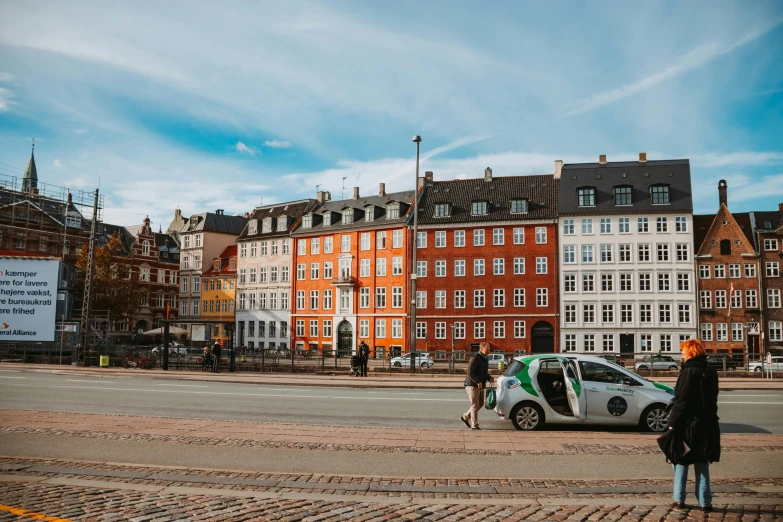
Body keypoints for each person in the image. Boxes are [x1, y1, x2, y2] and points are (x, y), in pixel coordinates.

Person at [666, 338, 720, 512]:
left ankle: (679, 498)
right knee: (702, 462)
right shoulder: (710, 370)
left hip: (688, 424)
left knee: (681, 460)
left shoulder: (688, 371)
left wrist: (673, 423)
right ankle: (705, 502)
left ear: (690, 352)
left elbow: (682, 400)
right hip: (708, 423)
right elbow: (713, 397)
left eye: (683, 351)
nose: (681, 354)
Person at [460, 342, 493, 430]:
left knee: (481, 403)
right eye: (487, 349)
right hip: (472, 384)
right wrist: (477, 382)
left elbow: (483, 372)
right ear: (481, 349)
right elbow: (469, 372)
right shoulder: (475, 358)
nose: (489, 351)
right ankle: (474, 425)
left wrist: (489, 377)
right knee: (474, 405)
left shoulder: (485, 358)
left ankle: (465, 417)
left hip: (480, 384)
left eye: (489, 349)